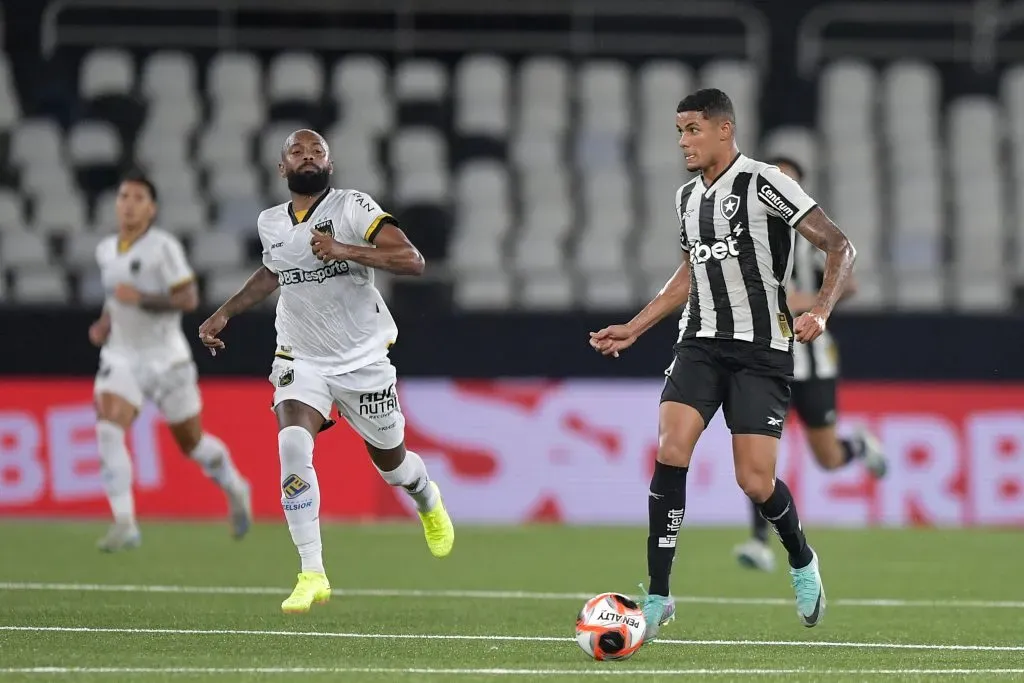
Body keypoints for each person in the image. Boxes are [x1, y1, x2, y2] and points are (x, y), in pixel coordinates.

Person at [590, 89, 856, 639]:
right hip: (701, 344)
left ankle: (802, 560)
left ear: (723, 129)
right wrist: (635, 327)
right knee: (670, 448)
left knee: (755, 481)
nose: (683, 141)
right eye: (679, 130)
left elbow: (838, 244)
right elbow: (689, 275)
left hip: (761, 351)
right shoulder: (687, 197)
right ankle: (659, 595)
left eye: (692, 129)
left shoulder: (765, 183)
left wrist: (823, 310)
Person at [198, 129, 455, 615]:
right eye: (298, 151)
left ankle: (427, 498)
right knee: (292, 443)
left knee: (395, 468)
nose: (308, 156)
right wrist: (225, 312)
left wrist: (347, 251)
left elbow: (412, 260)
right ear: (282, 168)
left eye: (317, 151)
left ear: (330, 165)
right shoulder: (270, 222)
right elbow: (273, 272)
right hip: (300, 357)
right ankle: (312, 572)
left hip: (362, 361)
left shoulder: (353, 207)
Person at [733, 157, 887, 573]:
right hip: (766, 359)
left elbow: (848, 281)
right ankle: (758, 541)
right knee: (759, 452)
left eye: (789, 180)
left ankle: (857, 447)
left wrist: (809, 302)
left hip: (812, 360)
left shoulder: (809, 237)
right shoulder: (745, 235)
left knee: (828, 457)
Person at [89, 170, 252, 552]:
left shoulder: (163, 248)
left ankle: (235, 486)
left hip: (167, 360)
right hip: (121, 357)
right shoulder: (106, 250)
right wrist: (105, 322)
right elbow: (116, 296)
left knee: (192, 444)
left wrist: (142, 299)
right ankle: (125, 521)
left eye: (138, 198)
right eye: (123, 196)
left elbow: (189, 299)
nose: (128, 204)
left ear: (152, 208)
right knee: (108, 429)